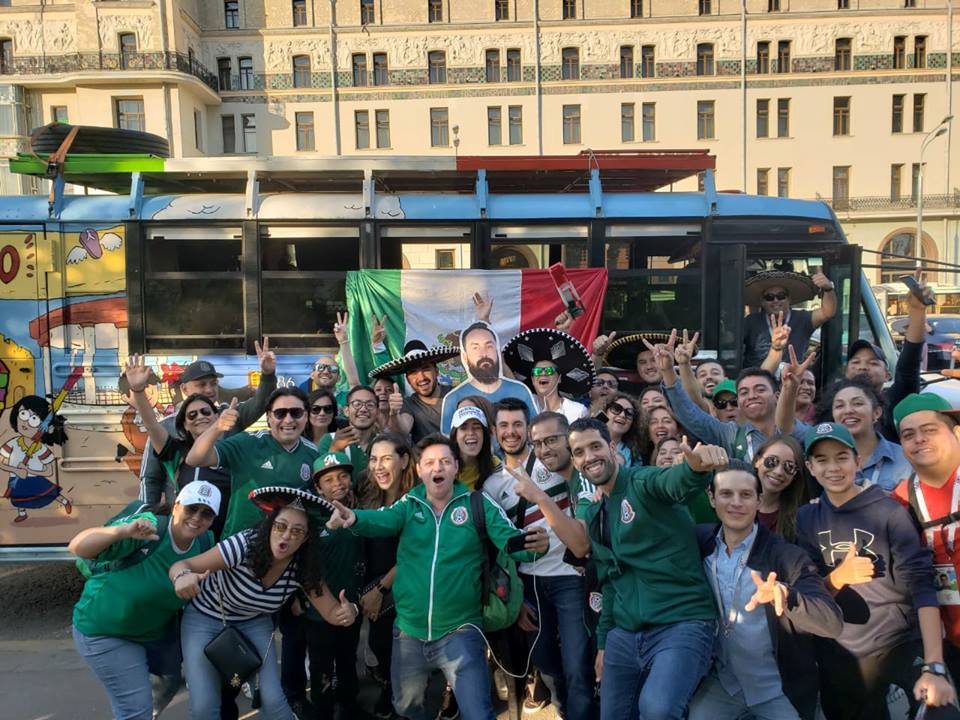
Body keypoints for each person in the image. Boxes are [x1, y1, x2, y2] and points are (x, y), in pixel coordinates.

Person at [324, 433, 549, 720]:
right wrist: (354, 518)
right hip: (409, 631)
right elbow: (383, 519)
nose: (437, 468)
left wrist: (533, 546)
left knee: (478, 713)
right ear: (419, 470)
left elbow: (510, 540)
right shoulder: (409, 503)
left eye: (444, 461)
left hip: (462, 629)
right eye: (429, 462)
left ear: (456, 467)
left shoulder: (478, 503)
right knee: (405, 707)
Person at [569, 418, 727, 720]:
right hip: (625, 634)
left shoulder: (642, 481)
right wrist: (603, 643)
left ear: (612, 448)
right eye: (579, 452)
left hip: (681, 622)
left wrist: (695, 469)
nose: (589, 457)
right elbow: (610, 582)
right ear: (575, 462)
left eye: (595, 446)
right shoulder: (595, 514)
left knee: (658, 709)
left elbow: (674, 482)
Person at [796, 422, 957, 720]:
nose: (833, 467)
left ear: (858, 461)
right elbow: (810, 590)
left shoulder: (890, 511)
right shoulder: (807, 517)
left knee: (941, 712)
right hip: (841, 650)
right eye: (822, 459)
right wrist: (839, 577)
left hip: (897, 642)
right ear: (810, 467)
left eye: (841, 457)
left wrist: (934, 665)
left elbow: (922, 587)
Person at [170, 486, 358, 720]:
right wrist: (182, 577)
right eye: (280, 526)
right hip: (205, 618)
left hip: (253, 621)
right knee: (204, 706)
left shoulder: (303, 565)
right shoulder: (244, 544)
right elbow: (183, 565)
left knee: (273, 701)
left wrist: (350, 611)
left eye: (297, 531)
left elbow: (332, 612)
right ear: (269, 526)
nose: (286, 536)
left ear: (306, 538)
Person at [689, 467, 842, 720]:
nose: (736, 503)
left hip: (778, 689)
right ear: (712, 498)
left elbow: (832, 622)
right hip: (723, 684)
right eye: (726, 493)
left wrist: (787, 596)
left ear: (759, 500)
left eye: (746, 494)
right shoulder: (699, 542)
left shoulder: (786, 556)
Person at [70, 481, 220, 720]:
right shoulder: (147, 527)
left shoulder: (204, 543)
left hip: (155, 634)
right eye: (192, 508)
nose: (197, 518)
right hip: (106, 631)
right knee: (134, 709)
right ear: (176, 506)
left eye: (207, 513)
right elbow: (78, 546)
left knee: (168, 685)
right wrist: (122, 532)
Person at [487, 409, 594, 720]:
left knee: (577, 665)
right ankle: (564, 709)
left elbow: (582, 539)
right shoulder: (492, 484)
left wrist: (540, 498)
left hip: (570, 578)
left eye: (517, 424)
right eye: (503, 425)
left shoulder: (572, 468)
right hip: (530, 583)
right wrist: (515, 597)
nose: (545, 448)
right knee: (545, 662)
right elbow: (498, 547)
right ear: (495, 432)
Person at [140, 340, 278, 507]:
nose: (209, 390)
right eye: (201, 384)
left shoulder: (230, 416)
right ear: (184, 389)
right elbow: (151, 477)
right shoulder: (166, 427)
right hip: (182, 516)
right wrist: (145, 512)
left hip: (226, 513)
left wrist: (268, 374)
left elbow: (260, 403)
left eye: (213, 384)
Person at [659, 329, 811, 461]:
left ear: (777, 397)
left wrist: (790, 388)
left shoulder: (800, 431)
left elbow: (787, 428)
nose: (752, 396)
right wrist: (667, 370)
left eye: (760, 389)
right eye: (744, 392)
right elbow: (690, 414)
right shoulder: (730, 434)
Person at [185, 387, 319, 537]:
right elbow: (194, 459)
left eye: (296, 413)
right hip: (240, 541)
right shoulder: (247, 442)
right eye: (280, 413)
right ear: (269, 417)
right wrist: (217, 427)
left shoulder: (314, 454)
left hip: (286, 542)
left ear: (306, 416)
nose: (288, 420)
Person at [891, 393, 960, 681]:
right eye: (908, 435)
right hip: (949, 643)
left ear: (957, 433)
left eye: (929, 429)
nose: (919, 439)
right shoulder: (900, 499)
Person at [124, 356, 230, 535]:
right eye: (192, 415)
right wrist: (138, 390)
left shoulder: (229, 449)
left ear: (216, 417)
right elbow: (151, 424)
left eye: (206, 412)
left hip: (221, 533)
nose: (200, 417)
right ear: (185, 425)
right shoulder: (175, 454)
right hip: (183, 532)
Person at [303, 452, 366, 720]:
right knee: (321, 667)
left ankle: (348, 707)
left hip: (352, 604)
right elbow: (302, 564)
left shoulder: (361, 512)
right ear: (318, 488)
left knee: (348, 659)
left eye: (342, 476)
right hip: (319, 612)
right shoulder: (311, 518)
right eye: (328, 480)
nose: (337, 483)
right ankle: (323, 712)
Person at [360, 433, 419, 719]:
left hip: (403, 588)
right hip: (374, 587)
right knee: (379, 646)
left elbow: (413, 552)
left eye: (386, 459)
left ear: (404, 460)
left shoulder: (417, 499)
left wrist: (381, 589)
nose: (378, 466)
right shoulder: (369, 495)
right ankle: (389, 686)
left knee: (404, 652)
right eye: (373, 459)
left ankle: (401, 700)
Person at [845, 280, 932, 441]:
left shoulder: (894, 400)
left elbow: (908, 366)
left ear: (887, 375)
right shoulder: (831, 403)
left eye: (872, 363)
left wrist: (917, 311)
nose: (862, 367)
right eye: (856, 362)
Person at [439, 321, 537, 434]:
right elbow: (448, 440)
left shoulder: (520, 391)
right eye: (475, 348)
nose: (484, 354)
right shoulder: (453, 399)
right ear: (465, 357)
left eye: (489, 346)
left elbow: (535, 433)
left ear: (497, 352)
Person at [816, 378, 912, 491]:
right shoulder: (823, 461)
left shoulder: (905, 458)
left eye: (857, 403)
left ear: (876, 412)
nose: (848, 411)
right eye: (839, 406)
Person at [741, 269, 836, 368]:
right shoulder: (750, 321)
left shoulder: (802, 319)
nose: (775, 300)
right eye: (769, 297)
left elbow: (827, 312)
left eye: (781, 296)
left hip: (792, 375)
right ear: (763, 302)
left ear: (789, 299)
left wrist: (828, 289)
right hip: (756, 375)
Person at [1, 394, 71, 522]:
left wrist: (29, 471)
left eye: (34, 419)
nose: (25, 422)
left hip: (35, 479)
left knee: (50, 493)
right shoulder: (13, 443)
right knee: (19, 497)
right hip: (16, 478)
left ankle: (65, 501)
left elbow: (49, 471)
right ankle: (22, 513)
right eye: (23, 414)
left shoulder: (40, 449)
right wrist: (15, 470)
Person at [502, 327, 594, 424]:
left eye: (549, 371)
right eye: (537, 371)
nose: (543, 374)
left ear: (559, 378)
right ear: (532, 380)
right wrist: (502, 363)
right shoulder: (526, 406)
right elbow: (513, 384)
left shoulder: (577, 411)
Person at [372, 340, 458, 442]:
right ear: (408, 380)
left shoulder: (457, 394)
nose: (421, 377)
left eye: (426, 369)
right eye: (413, 372)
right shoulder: (408, 404)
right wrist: (394, 413)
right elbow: (402, 430)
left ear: (436, 371)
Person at [317, 385, 379, 486]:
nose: (363, 409)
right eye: (357, 404)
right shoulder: (329, 440)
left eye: (370, 405)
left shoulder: (383, 442)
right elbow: (325, 484)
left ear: (377, 412)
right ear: (346, 411)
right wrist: (334, 449)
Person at [752, 435, 809, 542]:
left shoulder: (800, 519)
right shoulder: (735, 503)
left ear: (795, 474)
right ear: (757, 461)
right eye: (772, 461)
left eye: (789, 466)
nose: (778, 472)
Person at [591, 330, 670, 387]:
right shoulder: (624, 390)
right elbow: (593, 384)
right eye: (642, 362)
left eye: (654, 360)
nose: (649, 366)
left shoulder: (677, 389)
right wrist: (598, 354)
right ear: (637, 367)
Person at [449, 404, 499, 491]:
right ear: (455, 436)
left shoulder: (496, 466)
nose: (471, 433)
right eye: (463, 428)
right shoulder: (444, 467)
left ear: (484, 435)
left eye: (476, 427)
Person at [597, 392, 643, 468]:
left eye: (629, 413)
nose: (622, 415)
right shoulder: (586, 439)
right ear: (605, 412)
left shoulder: (634, 456)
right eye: (616, 408)